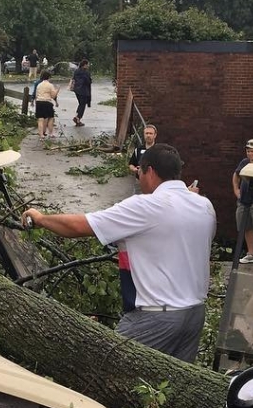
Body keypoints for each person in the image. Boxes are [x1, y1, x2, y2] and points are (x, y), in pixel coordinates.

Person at [23, 144, 216, 363]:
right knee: (171, 386)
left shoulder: (146, 206)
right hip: (194, 314)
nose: (139, 179)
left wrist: (40, 219)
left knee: (105, 371)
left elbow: (79, 226)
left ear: (149, 172)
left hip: (155, 316)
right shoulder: (204, 206)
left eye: (139, 173)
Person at [232, 139, 253, 264]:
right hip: (244, 201)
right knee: (246, 227)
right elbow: (236, 175)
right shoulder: (244, 162)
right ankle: (251, 253)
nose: (250, 154)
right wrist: (236, 189)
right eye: (248, 151)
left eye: (252, 151)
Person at [34, 70, 59, 140]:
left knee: (40, 119)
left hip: (39, 102)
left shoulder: (39, 85)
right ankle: (51, 133)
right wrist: (57, 90)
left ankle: (41, 135)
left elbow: (36, 95)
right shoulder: (50, 85)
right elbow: (53, 96)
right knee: (50, 118)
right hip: (47, 102)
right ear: (49, 77)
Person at [71, 59, 92, 126]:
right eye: (87, 64)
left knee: (80, 104)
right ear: (84, 65)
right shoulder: (86, 73)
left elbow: (74, 79)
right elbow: (88, 81)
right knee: (82, 105)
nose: (88, 66)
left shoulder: (76, 71)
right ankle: (78, 118)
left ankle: (77, 116)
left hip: (77, 90)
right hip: (84, 91)